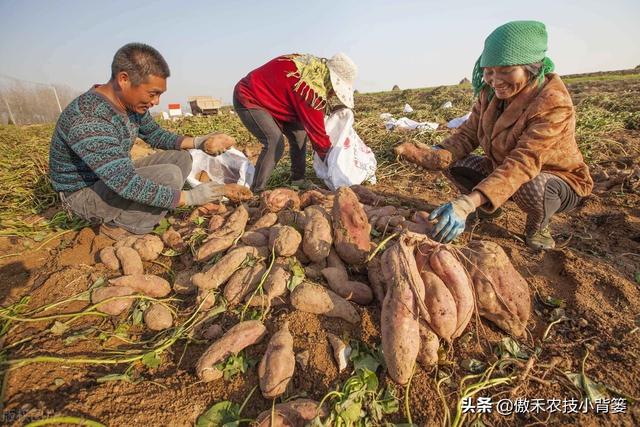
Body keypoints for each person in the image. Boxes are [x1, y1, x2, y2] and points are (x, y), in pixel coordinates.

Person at [427, 21, 593, 250]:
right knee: (450, 160)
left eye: (506, 71)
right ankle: (489, 207)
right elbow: (467, 134)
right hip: (503, 169)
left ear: (531, 67)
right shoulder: (489, 94)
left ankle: (538, 226)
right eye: (489, 72)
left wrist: (466, 203)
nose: (495, 80)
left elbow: (523, 163)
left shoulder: (553, 103)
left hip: (555, 180)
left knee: (531, 186)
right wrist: (434, 154)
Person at [49, 42, 237, 239]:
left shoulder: (130, 105)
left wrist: (199, 142)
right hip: (84, 196)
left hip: (110, 179)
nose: (156, 102)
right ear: (124, 79)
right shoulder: (89, 118)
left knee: (181, 159)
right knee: (169, 175)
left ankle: (150, 209)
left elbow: (155, 135)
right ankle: (120, 228)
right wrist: (190, 197)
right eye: (152, 93)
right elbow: (125, 183)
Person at [233, 53, 357, 192]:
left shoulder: (314, 68)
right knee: (274, 141)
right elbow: (319, 139)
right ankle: (256, 190)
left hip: (276, 101)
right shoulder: (310, 91)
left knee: (299, 135)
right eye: (334, 90)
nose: (333, 94)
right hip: (249, 96)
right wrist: (335, 165)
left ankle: (298, 180)